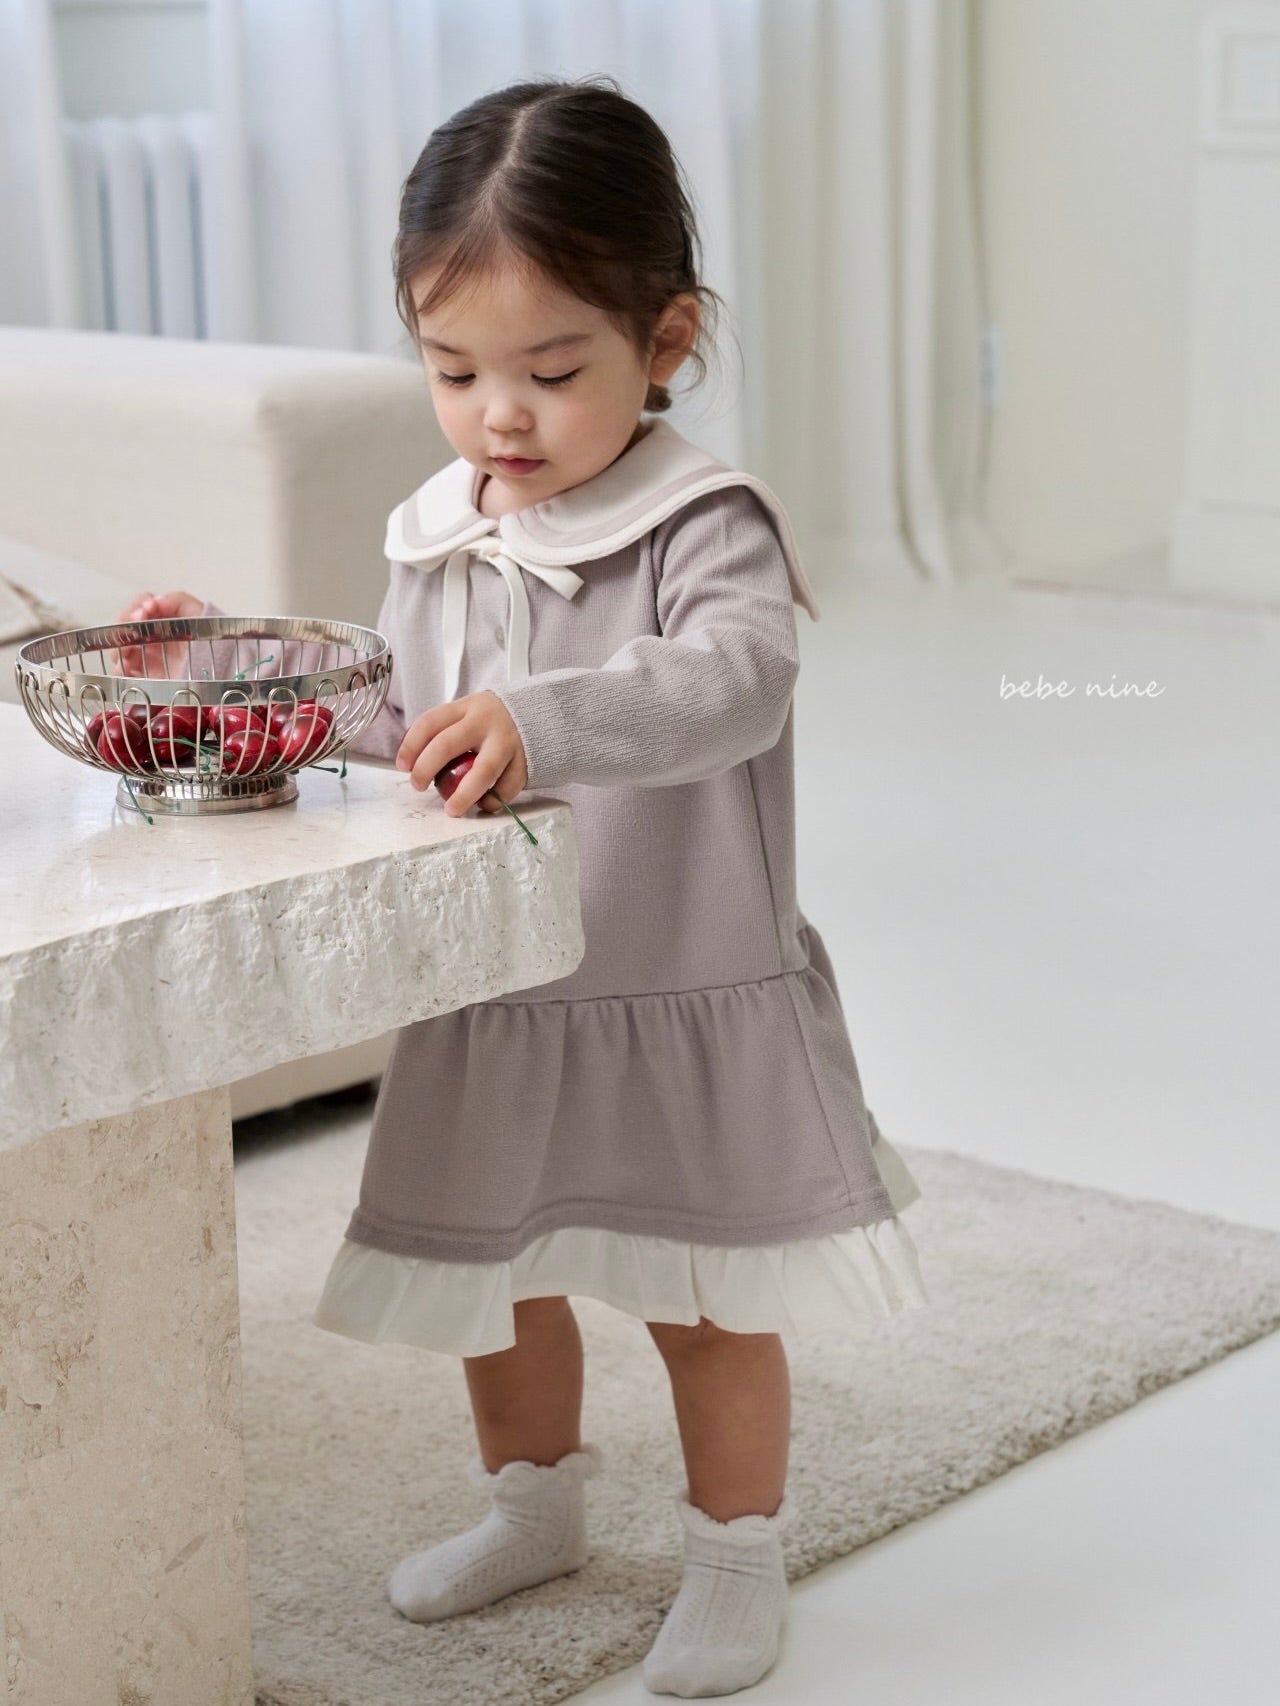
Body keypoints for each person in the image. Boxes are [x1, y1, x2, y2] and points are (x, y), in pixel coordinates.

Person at [116, 74, 931, 1700]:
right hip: (497, 993)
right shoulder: (440, 530)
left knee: (705, 1303)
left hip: (669, 984)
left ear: (666, 338)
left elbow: (734, 685)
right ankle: (533, 1508)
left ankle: (735, 1552)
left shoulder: (701, 523)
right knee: (502, 1281)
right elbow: (394, 720)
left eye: (553, 372)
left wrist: (540, 719)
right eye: (455, 370)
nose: (502, 414)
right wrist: (226, 658)